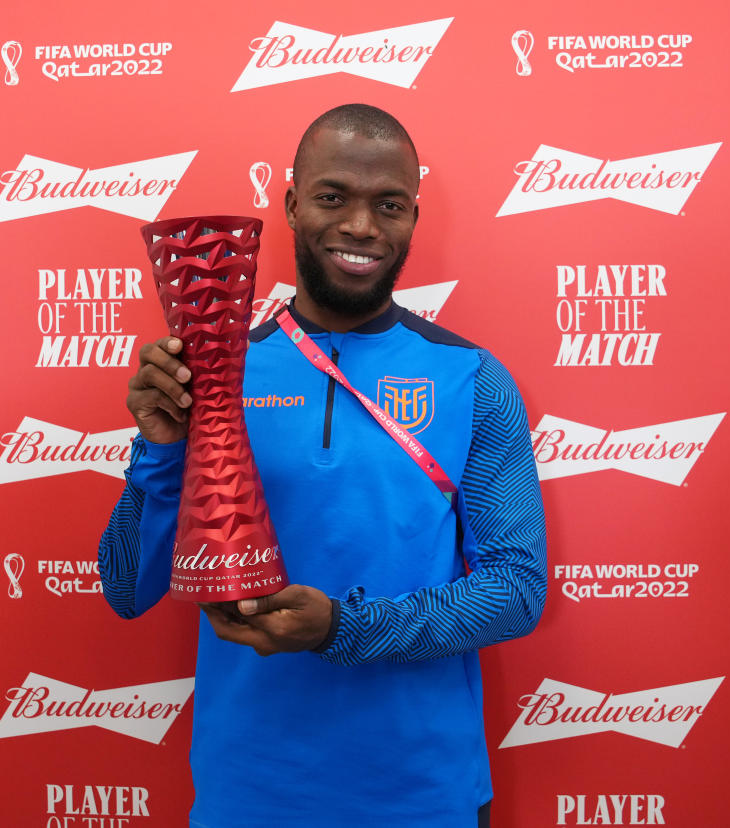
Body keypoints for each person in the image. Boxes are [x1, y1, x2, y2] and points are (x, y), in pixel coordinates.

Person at [99, 103, 546, 828]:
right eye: (334, 197)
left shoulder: (473, 378)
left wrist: (343, 627)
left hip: (422, 796)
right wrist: (160, 448)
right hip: (249, 793)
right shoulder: (216, 372)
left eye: (389, 205)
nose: (362, 227)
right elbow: (126, 586)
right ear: (292, 204)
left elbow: (515, 591)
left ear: (413, 218)